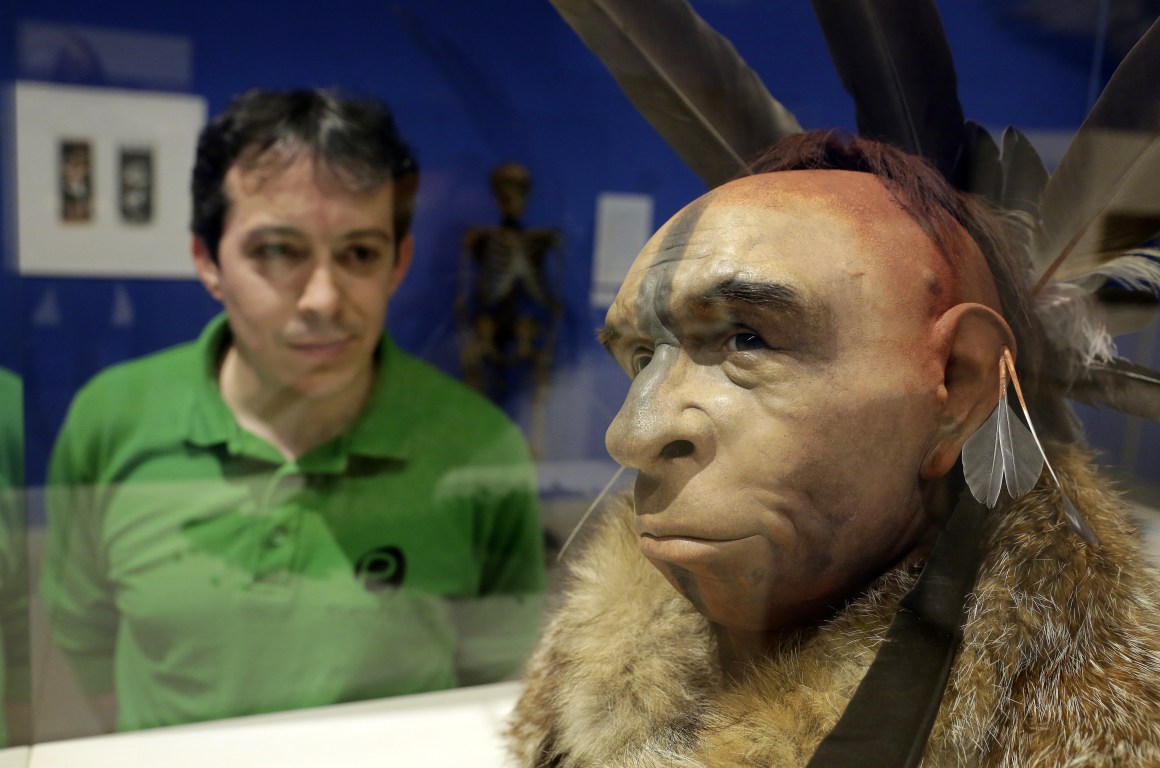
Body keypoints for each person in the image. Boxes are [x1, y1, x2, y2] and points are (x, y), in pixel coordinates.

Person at [506, 132, 1160, 766]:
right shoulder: (582, 686)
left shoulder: (1092, 726)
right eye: (640, 356)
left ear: (957, 385)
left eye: (747, 339)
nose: (631, 435)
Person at [40, 89, 546, 733]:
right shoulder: (112, 418)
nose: (322, 299)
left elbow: (496, 674)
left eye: (359, 253)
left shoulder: (478, 445)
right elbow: (83, 629)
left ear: (399, 262)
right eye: (278, 251)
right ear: (207, 260)